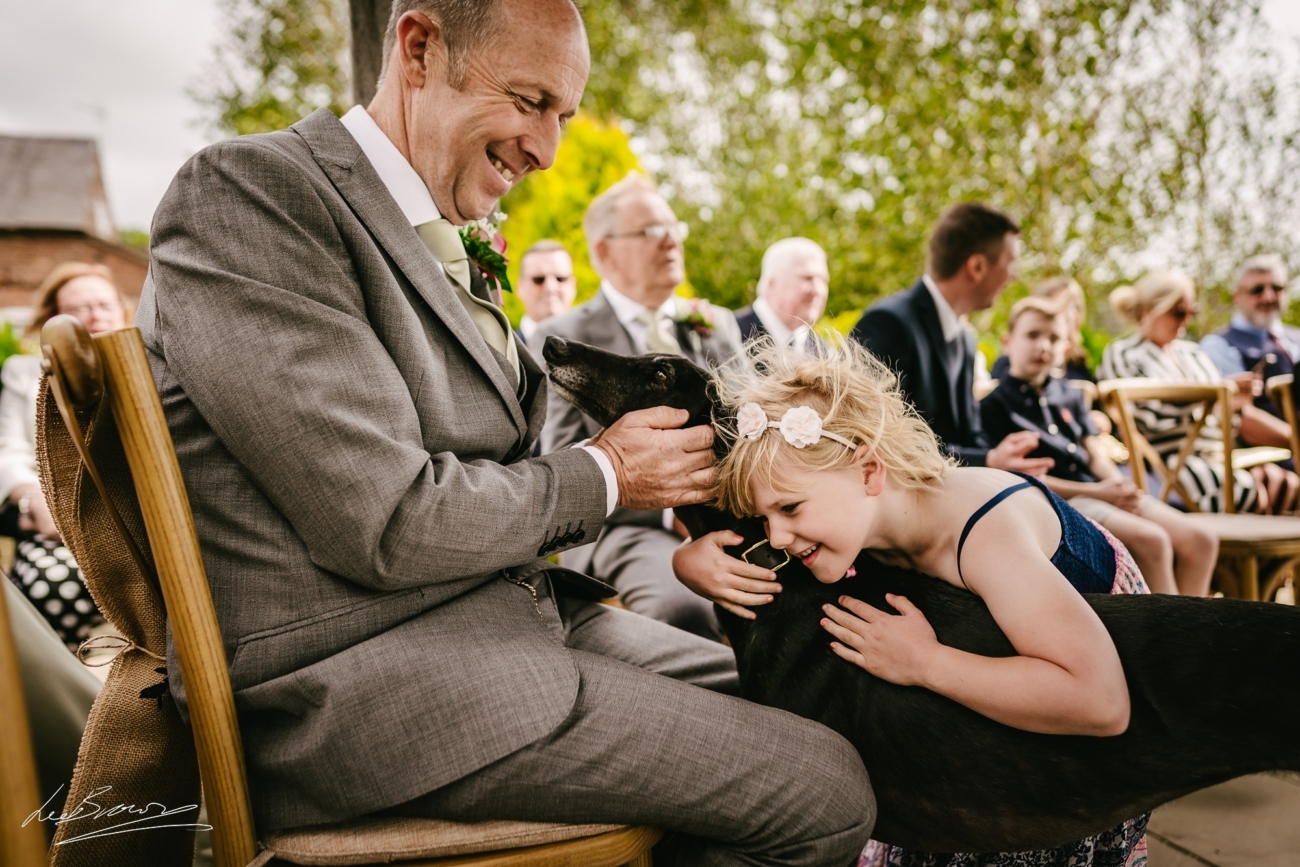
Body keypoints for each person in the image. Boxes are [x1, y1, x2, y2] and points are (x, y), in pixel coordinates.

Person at [139, 0, 874, 862]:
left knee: (828, 710)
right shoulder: (251, 196)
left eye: (563, 115)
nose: (548, 149)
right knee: (828, 790)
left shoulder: (438, 230)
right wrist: (608, 474)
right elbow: (385, 519)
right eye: (530, 101)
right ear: (419, 49)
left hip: (504, 624)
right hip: (368, 695)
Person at [708, 340, 1150, 867]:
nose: (777, 537)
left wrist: (926, 662)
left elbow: (1101, 702)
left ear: (869, 472)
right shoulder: (856, 519)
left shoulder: (985, 537)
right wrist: (692, 562)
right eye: (764, 519)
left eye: (790, 508)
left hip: (1075, 711)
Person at [535, 172, 744, 640]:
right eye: (651, 231)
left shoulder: (716, 325)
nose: (671, 241)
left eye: (674, 228)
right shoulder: (565, 337)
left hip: (738, 517)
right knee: (685, 612)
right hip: (629, 528)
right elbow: (566, 459)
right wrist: (672, 510)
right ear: (604, 252)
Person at [982, 297, 1217, 596]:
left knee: (1201, 540)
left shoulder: (1070, 395)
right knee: (1152, 540)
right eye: (1032, 335)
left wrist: (1118, 486)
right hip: (1062, 501)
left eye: (1053, 338)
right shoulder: (994, 406)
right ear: (1008, 342)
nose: (1043, 346)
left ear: (1065, 348)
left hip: (1101, 490)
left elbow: (1093, 452)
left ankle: (1191, 620)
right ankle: (1171, 625)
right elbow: (1023, 479)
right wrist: (1100, 492)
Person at [850, 203, 1054, 475]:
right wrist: (988, 460)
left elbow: (969, 434)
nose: (1014, 275)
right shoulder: (888, 324)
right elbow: (879, 438)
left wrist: (1002, 458)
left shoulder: (965, 340)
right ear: (977, 267)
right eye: (1010, 262)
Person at [0, 262, 127, 650]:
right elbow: (8, 450)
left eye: (104, 304)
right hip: (57, 526)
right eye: (79, 308)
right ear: (51, 319)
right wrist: (31, 499)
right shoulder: (24, 373)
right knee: (47, 590)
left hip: (135, 527)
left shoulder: (151, 370)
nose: (95, 315)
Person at [1099, 270, 1298, 514]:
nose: (1187, 320)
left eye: (1192, 312)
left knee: (1287, 485)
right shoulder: (1123, 354)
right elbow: (1145, 419)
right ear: (1147, 311)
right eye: (1178, 312)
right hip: (1170, 466)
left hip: (1223, 457)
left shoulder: (1193, 354)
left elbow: (1224, 422)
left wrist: (1233, 403)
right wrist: (1213, 397)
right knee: (1259, 492)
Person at [1200, 254, 1299, 420]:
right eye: (1257, 290)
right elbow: (1237, 415)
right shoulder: (1218, 344)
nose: (1268, 297)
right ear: (1237, 297)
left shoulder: (1296, 336)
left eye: (1276, 288)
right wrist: (1294, 435)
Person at [990, 275, 1095, 383]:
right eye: (1059, 303)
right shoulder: (1012, 360)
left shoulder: (1078, 362)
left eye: (1075, 307)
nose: (1069, 312)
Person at [735, 237, 830, 353]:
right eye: (807, 278)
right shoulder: (730, 335)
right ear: (772, 284)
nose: (818, 290)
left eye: (824, 280)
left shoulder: (822, 350)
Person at [515, 239, 576, 348]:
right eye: (539, 279)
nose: (551, 287)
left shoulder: (597, 344)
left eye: (560, 278)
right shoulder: (500, 350)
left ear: (573, 285)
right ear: (520, 287)